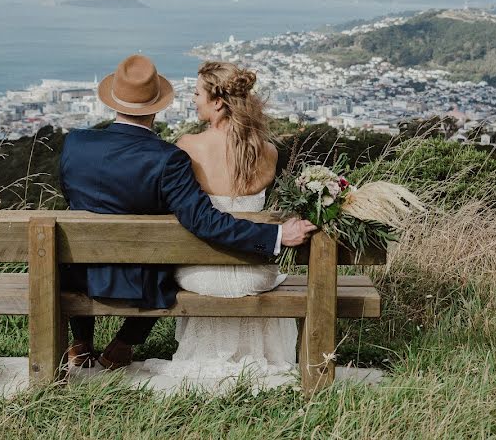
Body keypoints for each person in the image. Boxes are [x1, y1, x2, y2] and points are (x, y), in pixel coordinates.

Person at [59, 55, 315, 370]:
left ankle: (82, 342)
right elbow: (200, 219)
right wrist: (276, 234)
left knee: (76, 253)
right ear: (155, 107)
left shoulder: (75, 144)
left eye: (196, 94)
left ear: (113, 101)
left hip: (77, 275)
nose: (193, 100)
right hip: (143, 281)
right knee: (164, 261)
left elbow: (74, 202)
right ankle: (123, 343)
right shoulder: (166, 158)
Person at [140, 61, 297, 383]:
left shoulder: (188, 147)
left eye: (197, 93)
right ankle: (256, 355)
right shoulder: (268, 152)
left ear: (217, 102)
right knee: (255, 277)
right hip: (256, 275)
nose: (193, 99)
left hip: (201, 273)